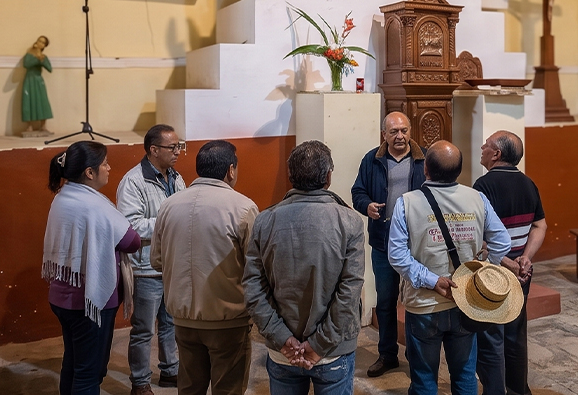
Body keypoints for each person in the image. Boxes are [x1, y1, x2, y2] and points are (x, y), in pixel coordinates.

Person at [388, 140, 511, 395]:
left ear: (426, 170)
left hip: (424, 305)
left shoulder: (406, 203)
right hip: (466, 300)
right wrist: (485, 272)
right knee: (465, 374)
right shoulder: (477, 198)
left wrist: (433, 280)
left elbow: (397, 256)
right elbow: (502, 241)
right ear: (459, 171)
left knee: (423, 377)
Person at [245, 140, 365, 395]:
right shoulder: (350, 221)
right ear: (329, 176)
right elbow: (349, 292)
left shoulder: (264, 221)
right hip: (332, 352)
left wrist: (283, 338)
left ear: (290, 176)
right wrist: (319, 345)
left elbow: (253, 288)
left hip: (283, 351)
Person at [152, 140, 259, 395]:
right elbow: (257, 267)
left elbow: (156, 260)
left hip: (182, 320)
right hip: (227, 322)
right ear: (230, 170)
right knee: (228, 389)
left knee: (189, 389)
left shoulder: (168, 206)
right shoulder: (243, 208)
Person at [43, 140, 140, 395]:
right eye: (104, 163)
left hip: (63, 296)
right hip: (89, 301)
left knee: (73, 364)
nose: (109, 168)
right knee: (89, 373)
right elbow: (132, 241)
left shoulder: (63, 196)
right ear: (89, 172)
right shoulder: (95, 206)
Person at [351, 111, 427, 378]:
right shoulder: (372, 159)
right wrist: (366, 206)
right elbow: (357, 192)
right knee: (385, 301)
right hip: (384, 243)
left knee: (417, 301)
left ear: (410, 132)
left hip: (418, 245)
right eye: (393, 131)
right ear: (384, 134)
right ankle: (387, 355)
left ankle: (417, 355)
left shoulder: (423, 158)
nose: (400, 136)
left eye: (404, 130)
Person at [472, 131, 547, 395]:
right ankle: (518, 390)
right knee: (515, 335)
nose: (482, 147)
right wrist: (525, 258)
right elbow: (540, 225)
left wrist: (506, 262)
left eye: (487, 145)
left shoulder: (483, 186)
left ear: (497, 154)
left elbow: (479, 238)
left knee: (491, 336)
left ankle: (495, 391)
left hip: (496, 274)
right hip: (522, 274)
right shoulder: (529, 183)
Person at [116, 125, 187, 395]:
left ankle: (170, 371)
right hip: (145, 268)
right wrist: (168, 221)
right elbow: (129, 225)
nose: (178, 152)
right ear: (153, 150)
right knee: (144, 330)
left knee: (170, 323)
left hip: (171, 265)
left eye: (180, 146)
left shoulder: (177, 178)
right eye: (173, 147)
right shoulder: (133, 182)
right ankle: (140, 381)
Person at [22, 35, 53, 134]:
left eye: (43, 42)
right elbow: (26, 64)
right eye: (39, 41)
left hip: (38, 80)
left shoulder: (43, 57)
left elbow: (49, 69)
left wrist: (42, 60)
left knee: (42, 101)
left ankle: (43, 125)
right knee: (28, 101)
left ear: (44, 46)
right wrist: (36, 59)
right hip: (29, 80)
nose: (40, 43)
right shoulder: (29, 54)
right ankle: (29, 126)